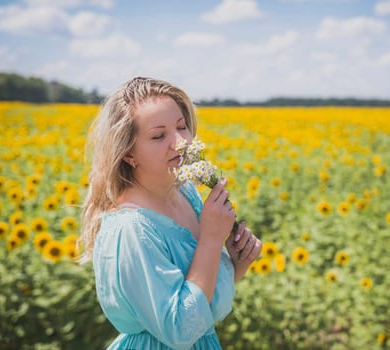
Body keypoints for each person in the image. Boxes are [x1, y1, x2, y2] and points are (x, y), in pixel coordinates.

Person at [79, 76, 262, 350]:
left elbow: (201, 301)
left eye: (181, 126)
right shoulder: (131, 228)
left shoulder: (186, 193)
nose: (180, 141)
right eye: (158, 135)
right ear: (128, 153)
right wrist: (211, 239)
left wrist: (235, 263)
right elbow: (179, 331)